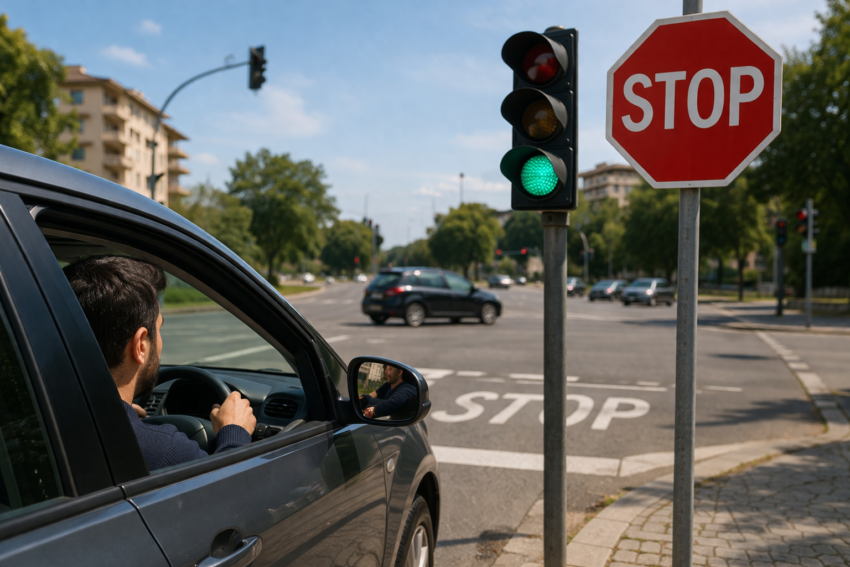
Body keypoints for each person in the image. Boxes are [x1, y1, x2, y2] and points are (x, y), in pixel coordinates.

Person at [63, 255, 256, 471]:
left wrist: (117, 414)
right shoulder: (164, 451)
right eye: (159, 328)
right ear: (141, 346)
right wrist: (235, 433)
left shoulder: (39, 422)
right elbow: (228, 493)